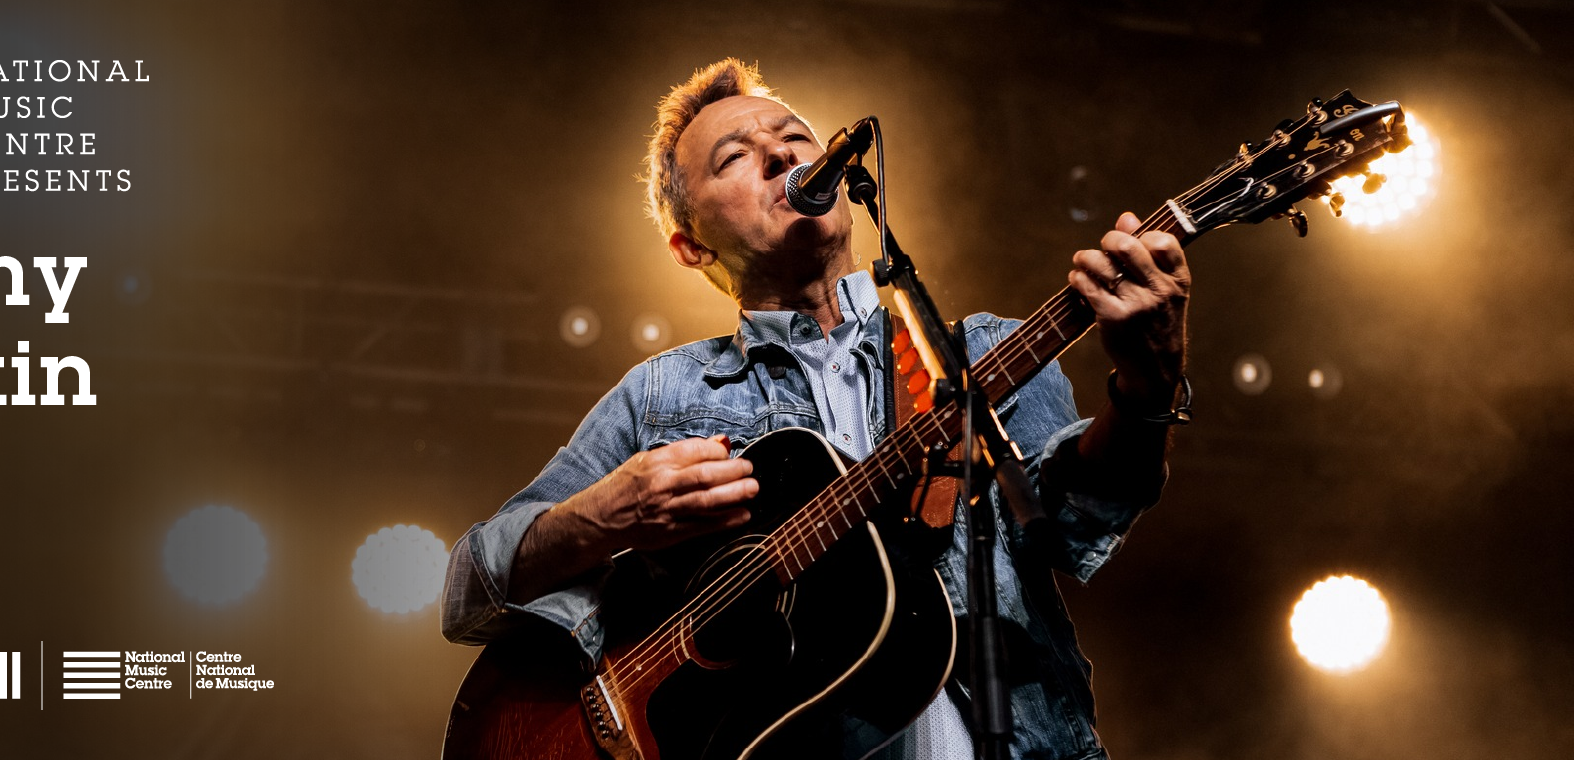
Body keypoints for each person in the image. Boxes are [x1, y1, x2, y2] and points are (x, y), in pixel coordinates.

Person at [441, 58, 1190, 760]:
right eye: (734, 156)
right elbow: (468, 590)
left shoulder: (973, 356)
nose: (781, 155)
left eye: (795, 136)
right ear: (690, 247)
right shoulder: (661, 393)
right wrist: (601, 517)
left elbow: (1080, 518)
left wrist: (1148, 386)